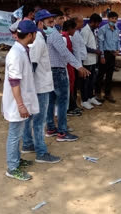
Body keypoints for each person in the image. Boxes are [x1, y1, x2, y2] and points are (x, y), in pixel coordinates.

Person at [21, 10, 61, 164]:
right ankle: (41, 153)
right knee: (40, 120)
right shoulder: (38, 39)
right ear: (40, 23)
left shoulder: (40, 37)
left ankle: (27, 144)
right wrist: (29, 87)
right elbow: (34, 64)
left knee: (32, 117)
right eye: (50, 22)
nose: (53, 25)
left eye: (53, 22)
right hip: (40, 86)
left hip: (38, 85)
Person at [2, 20, 39, 181]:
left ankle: (16, 160)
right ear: (30, 35)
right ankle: (12, 167)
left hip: (21, 100)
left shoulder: (22, 50)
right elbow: (14, 82)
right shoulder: (16, 54)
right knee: (15, 135)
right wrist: (21, 105)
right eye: (35, 33)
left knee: (17, 133)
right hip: (16, 102)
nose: (36, 36)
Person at [45, 13, 90, 142]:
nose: (58, 22)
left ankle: (51, 128)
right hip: (58, 71)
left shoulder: (47, 35)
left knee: (51, 101)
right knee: (62, 102)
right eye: (51, 21)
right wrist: (78, 66)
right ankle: (62, 132)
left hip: (51, 71)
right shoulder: (54, 35)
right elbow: (65, 53)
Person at [80, 13, 103, 110]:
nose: (98, 26)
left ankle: (90, 97)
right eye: (98, 24)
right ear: (93, 22)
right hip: (87, 60)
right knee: (85, 82)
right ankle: (84, 100)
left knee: (91, 81)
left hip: (93, 60)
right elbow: (83, 46)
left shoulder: (92, 30)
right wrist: (95, 51)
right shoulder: (85, 31)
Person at [97, 11, 120, 103]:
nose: (114, 20)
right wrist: (102, 56)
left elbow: (118, 40)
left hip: (112, 54)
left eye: (115, 19)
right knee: (101, 74)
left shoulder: (116, 29)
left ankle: (107, 93)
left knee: (110, 75)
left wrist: (117, 49)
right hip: (104, 54)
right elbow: (100, 43)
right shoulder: (103, 29)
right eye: (112, 18)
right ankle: (98, 93)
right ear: (108, 18)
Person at [62, 19, 82, 116]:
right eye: (74, 29)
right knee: (68, 87)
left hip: (70, 65)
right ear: (70, 28)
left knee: (71, 86)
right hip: (66, 65)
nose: (75, 31)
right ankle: (69, 108)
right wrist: (79, 67)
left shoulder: (68, 37)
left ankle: (72, 106)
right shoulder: (64, 38)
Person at [69, 14, 87, 114]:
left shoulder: (77, 33)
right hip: (77, 64)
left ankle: (74, 104)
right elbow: (76, 52)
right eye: (81, 21)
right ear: (75, 22)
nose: (83, 23)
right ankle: (73, 106)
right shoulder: (74, 34)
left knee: (76, 85)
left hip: (79, 63)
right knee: (75, 86)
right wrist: (79, 67)